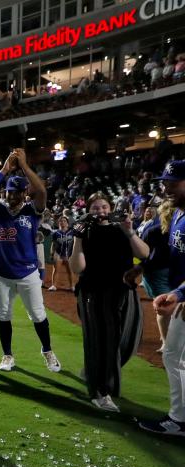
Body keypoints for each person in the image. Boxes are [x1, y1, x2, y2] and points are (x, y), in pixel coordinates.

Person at [0, 149, 61, 373]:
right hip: (2, 274)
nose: (12, 196)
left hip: (27, 273)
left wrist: (24, 166)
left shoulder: (31, 210)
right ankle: (7, 355)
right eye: (8, 192)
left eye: (16, 192)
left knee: (38, 314)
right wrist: (4, 170)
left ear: (25, 193)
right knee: (3, 315)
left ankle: (47, 350)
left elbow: (42, 191)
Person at [69, 194, 149, 411]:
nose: (101, 211)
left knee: (128, 339)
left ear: (111, 208)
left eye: (105, 207)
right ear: (89, 210)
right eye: (95, 208)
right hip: (95, 293)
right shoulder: (84, 230)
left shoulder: (121, 228)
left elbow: (144, 253)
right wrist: (77, 238)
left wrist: (129, 229)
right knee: (104, 340)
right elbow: (77, 267)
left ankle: (96, 371)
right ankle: (100, 391)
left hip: (123, 292)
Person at [140, 161, 185, 436]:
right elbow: (169, 256)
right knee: (175, 355)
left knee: (174, 355)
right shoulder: (179, 214)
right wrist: (139, 267)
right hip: (181, 293)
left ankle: (179, 420)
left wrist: (180, 294)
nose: (166, 186)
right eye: (165, 181)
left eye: (173, 181)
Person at [134, 200, 173, 351]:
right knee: (165, 307)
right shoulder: (152, 230)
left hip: (169, 271)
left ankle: (167, 340)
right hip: (156, 273)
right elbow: (141, 254)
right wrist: (138, 269)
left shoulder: (176, 229)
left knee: (169, 307)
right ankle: (165, 341)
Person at [49, 215, 75, 291]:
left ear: (67, 223)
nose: (62, 222)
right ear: (58, 223)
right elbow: (53, 244)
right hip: (58, 253)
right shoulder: (55, 233)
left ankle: (72, 286)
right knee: (56, 269)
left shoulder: (72, 232)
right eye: (61, 221)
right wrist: (52, 253)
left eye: (64, 221)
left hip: (69, 254)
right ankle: (54, 285)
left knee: (70, 270)